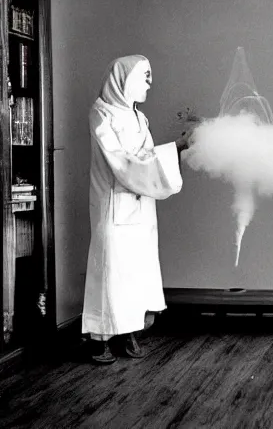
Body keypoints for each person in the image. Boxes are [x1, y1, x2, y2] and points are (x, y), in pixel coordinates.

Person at [81, 55, 192, 364]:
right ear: (124, 79)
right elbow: (122, 161)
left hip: (140, 208)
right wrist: (176, 148)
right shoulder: (101, 114)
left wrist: (177, 146)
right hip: (113, 205)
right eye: (144, 76)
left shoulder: (139, 119)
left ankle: (128, 330)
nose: (150, 82)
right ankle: (99, 338)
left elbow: (145, 155)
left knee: (134, 271)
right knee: (110, 270)